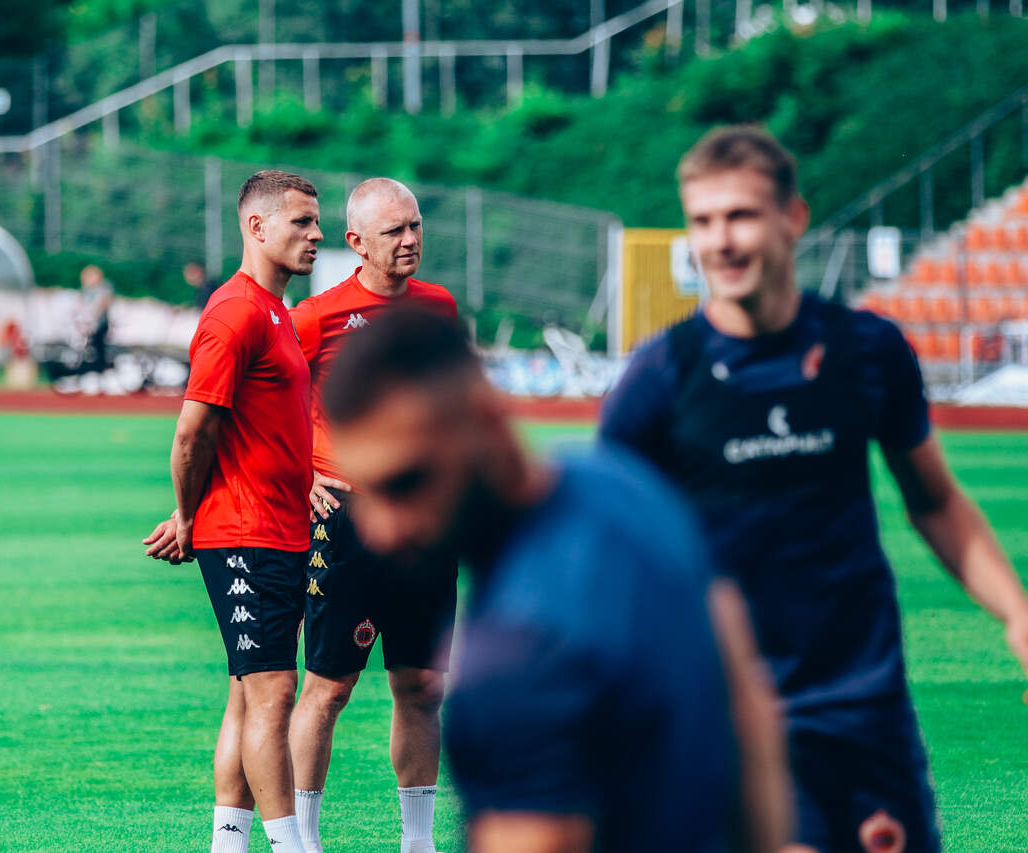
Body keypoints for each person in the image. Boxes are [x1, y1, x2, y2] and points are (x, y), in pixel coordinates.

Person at [600, 125, 1028, 853]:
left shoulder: (869, 351)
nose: (720, 241)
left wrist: (1017, 614)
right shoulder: (659, 377)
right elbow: (600, 542)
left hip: (868, 713)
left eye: (740, 215)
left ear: (793, 218)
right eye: (703, 221)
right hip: (736, 717)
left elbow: (934, 501)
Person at [322, 309, 795, 853]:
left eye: (406, 483)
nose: (380, 532)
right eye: (368, 492)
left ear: (487, 419)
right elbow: (747, 702)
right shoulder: (621, 485)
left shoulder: (514, 656)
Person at [142, 170, 323, 853]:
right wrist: (188, 517)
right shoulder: (235, 313)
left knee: (249, 695)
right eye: (302, 221)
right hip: (246, 533)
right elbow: (193, 431)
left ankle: (229, 843)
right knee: (273, 692)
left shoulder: (275, 311)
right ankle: (291, 845)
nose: (316, 234)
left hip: (277, 528)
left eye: (316, 221)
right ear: (257, 226)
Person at [286, 178, 459, 853]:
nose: (410, 239)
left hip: (426, 516)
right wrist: (302, 474)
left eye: (415, 225)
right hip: (348, 517)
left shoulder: (439, 307)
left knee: (423, 683)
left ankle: (418, 842)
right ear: (357, 242)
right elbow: (265, 407)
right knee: (329, 687)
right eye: (395, 231)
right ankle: (301, 842)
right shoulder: (316, 317)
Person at [78, 264, 112, 372]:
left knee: (99, 345)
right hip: (87, 323)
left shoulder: (104, 288)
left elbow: (104, 303)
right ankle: (91, 367)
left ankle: (100, 368)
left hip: (100, 323)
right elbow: (81, 303)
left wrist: (93, 315)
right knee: (89, 346)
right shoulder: (85, 290)